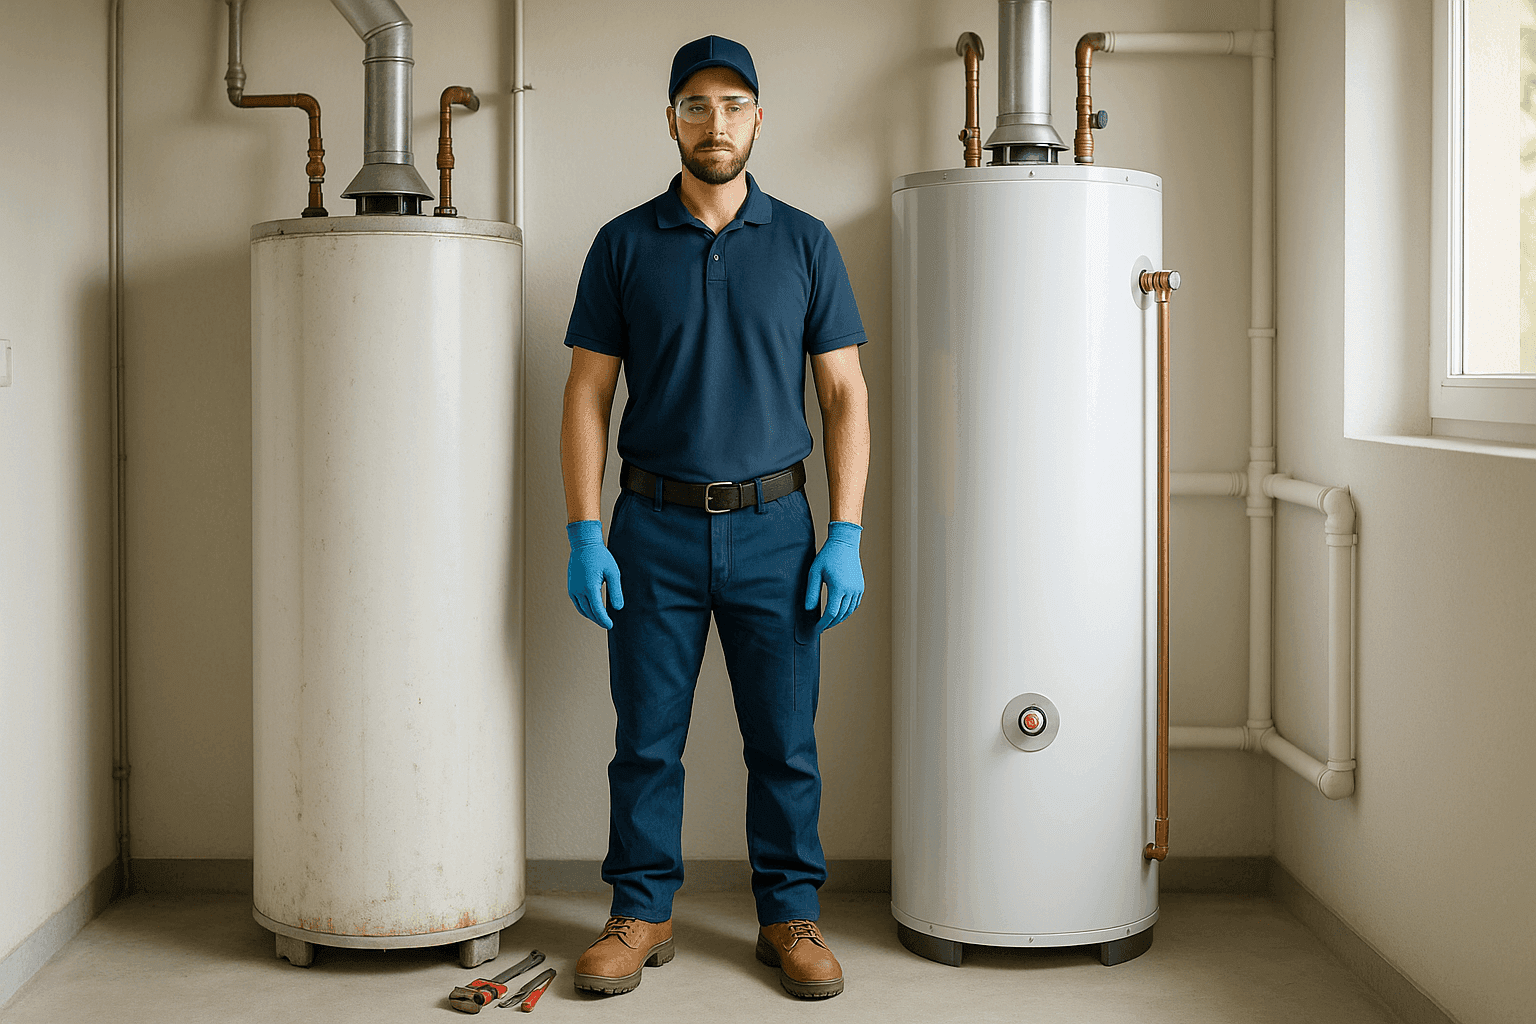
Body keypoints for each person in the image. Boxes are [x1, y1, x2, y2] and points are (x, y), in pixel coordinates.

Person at [558, 34, 870, 1001]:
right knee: (647, 740)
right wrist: (584, 532)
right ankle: (640, 912)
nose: (715, 122)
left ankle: (790, 915)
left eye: (733, 104)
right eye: (696, 105)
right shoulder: (622, 243)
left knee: (784, 742)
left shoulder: (806, 243)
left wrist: (847, 533)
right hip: (653, 528)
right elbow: (586, 395)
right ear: (671, 121)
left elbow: (845, 395)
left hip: (777, 529)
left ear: (759, 119)